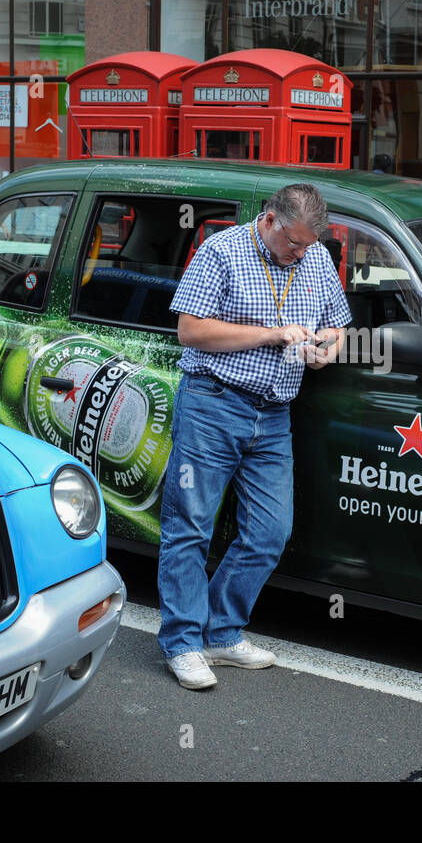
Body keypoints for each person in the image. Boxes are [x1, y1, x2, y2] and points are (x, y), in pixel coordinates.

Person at [157, 184, 351, 689]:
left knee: (269, 533)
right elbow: (191, 331)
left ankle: (222, 633)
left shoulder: (316, 260)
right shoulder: (222, 251)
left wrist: (326, 348)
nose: (300, 253)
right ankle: (182, 643)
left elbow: (336, 327)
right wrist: (273, 333)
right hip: (213, 403)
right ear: (268, 220)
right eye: (293, 243)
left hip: (274, 414)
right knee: (191, 527)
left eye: (309, 244)